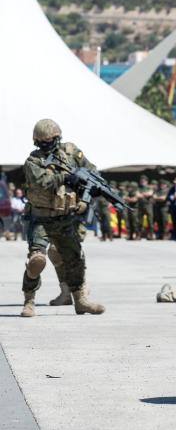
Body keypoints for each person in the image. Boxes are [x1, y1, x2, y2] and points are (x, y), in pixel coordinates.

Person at [20, 119, 104, 318]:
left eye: (51, 141)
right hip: (40, 217)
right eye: (43, 142)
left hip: (66, 217)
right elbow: (42, 182)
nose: (47, 145)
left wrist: (87, 194)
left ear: (58, 138)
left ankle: (80, 300)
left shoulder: (72, 153)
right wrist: (65, 178)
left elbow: (91, 170)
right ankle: (29, 301)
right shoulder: (33, 161)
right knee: (37, 260)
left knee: (74, 258)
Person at [137, 175, 155, 240]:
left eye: (144, 181)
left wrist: (142, 194)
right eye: (141, 181)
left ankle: (151, 235)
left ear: (147, 181)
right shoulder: (138, 188)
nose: (142, 182)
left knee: (150, 221)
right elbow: (138, 195)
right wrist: (145, 194)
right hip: (140, 206)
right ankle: (139, 235)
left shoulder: (149, 187)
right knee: (139, 221)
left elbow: (150, 194)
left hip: (148, 206)